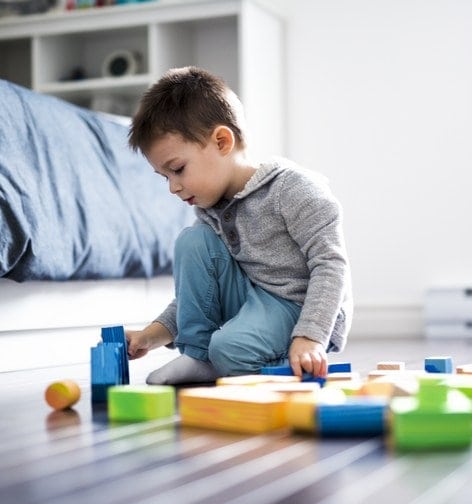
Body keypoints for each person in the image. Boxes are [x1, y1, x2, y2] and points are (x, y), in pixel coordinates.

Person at [125, 66, 352, 385]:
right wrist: (151, 336)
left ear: (221, 141)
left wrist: (310, 337)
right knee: (192, 241)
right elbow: (199, 296)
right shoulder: (210, 210)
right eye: (165, 177)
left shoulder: (292, 189)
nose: (173, 188)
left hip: (298, 307)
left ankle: (238, 358)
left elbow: (331, 265)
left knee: (229, 348)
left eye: (177, 169)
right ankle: (198, 356)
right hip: (251, 301)